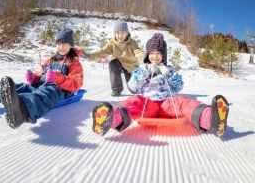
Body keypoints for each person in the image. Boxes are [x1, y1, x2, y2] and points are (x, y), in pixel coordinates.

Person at [92, 33, 229, 137]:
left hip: (166, 104)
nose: (155, 56)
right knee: (134, 101)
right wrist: (145, 72)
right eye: (151, 53)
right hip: (147, 104)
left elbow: (178, 87)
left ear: (163, 55)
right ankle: (112, 118)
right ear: (147, 55)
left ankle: (210, 118)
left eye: (158, 53)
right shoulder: (141, 70)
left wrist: (168, 74)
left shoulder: (168, 70)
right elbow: (132, 86)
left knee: (181, 101)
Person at [0, 28, 83, 129]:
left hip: (59, 89)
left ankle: (22, 110)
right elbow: (41, 73)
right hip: (41, 84)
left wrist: (58, 78)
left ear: (71, 45)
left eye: (64, 43)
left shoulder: (74, 62)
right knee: (19, 87)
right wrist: (34, 77)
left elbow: (76, 83)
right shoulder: (51, 59)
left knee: (47, 93)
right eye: (59, 44)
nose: (61, 47)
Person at [83, 20, 144, 96]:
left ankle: (141, 87)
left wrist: (142, 57)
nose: (120, 36)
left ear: (127, 33)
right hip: (118, 63)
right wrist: (90, 56)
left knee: (134, 90)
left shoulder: (132, 43)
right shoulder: (112, 43)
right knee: (112, 63)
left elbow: (137, 51)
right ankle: (116, 89)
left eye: (122, 33)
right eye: (117, 33)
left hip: (131, 66)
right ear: (114, 34)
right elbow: (102, 52)